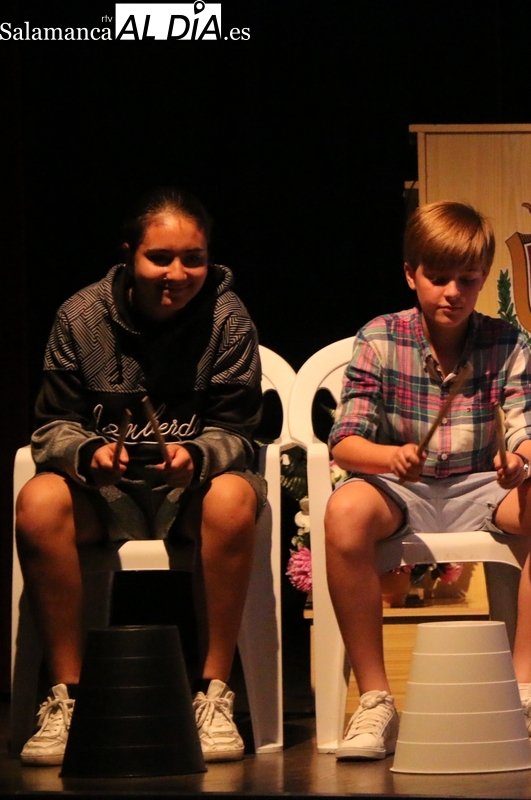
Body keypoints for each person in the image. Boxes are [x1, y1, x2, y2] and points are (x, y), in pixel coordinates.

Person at [323, 200, 531, 760]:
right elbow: (345, 440)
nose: (452, 293)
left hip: (480, 489)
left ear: (483, 277)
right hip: (401, 490)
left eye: (467, 280)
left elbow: (530, 427)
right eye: (438, 278)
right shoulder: (379, 337)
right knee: (344, 511)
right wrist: (391, 457)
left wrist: (522, 463)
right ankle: (375, 700)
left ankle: (523, 692)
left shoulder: (503, 341)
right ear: (410, 274)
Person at [15, 188, 265, 765]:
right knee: (38, 501)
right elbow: (52, 426)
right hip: (104, 494)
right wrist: (90, 453)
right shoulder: (81, 317)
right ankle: (68, 698)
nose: (177, 274)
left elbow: (240, 432)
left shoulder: (228, 318)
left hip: (191, 494)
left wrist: (197, 456)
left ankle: (213, 694)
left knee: (234, 497)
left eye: (193, 259)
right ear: (129, 255)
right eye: (160, 258)